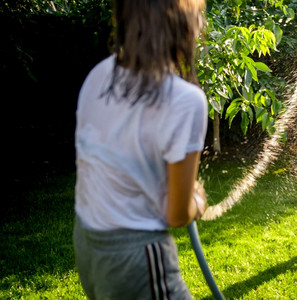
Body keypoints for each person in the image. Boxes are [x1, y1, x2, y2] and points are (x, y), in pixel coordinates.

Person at [73, 0, 207, 298]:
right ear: (180, 23)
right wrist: (197, 201)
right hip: (135, 258)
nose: (201, 25)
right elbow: (176, 215)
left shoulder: (97, 77)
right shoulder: (184, 99)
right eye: (199, 14)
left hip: (88, 243)